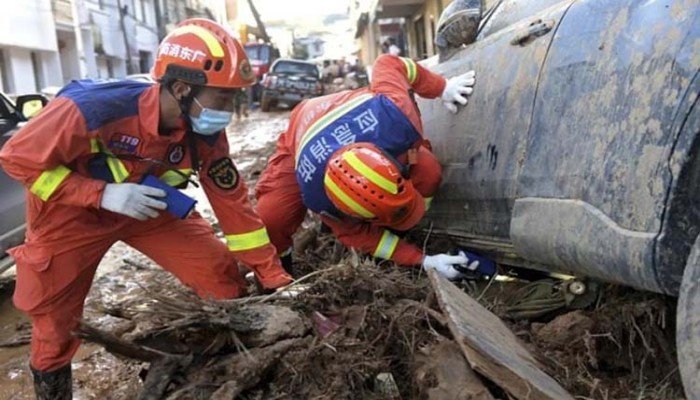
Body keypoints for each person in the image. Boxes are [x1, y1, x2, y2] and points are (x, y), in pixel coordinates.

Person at [0, 18, 291, 399]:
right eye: (223, 99)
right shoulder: (90, 109)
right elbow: (17, 158)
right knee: (54, 325)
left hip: (150, 209)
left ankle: (216, 368)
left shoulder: (205, 132)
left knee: (220, 276)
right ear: (183, 88)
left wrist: (275, 279)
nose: (229, 110)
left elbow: (234, 208)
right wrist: (100, 194)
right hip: (71, 216)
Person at [255, 53, 477, 279]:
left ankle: (414, 224)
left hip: (352, 117)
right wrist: (421, 260)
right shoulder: (319, 198)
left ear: (394, 166)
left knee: (428, 169)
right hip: (300, 136)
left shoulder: (396, 114)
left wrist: (441, 87)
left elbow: (389, 62)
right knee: (272, 217)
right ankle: (277, 274)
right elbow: (360, 236)